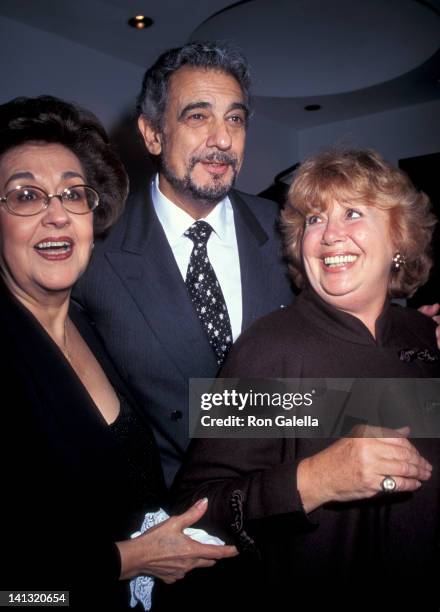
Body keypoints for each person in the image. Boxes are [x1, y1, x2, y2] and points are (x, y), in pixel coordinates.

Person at [173, 149, 440, 608]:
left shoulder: (420, 334)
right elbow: (193, 511)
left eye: (352, 213)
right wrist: (318, 480)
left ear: (399, 237)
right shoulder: (267, 349)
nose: (330, 235)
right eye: (314, 220)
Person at [0, 95, 237, 611]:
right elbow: (15, 594)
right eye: (26, 196)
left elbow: (210, 399)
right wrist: (130, 559)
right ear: (153, 134)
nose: (57, 215)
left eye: (73, 194)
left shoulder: (88, 314)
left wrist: (394, 349)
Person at [73, 42, 294, 487]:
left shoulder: (292, 230)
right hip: (176, 523)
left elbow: (337, 342)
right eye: (198, 116)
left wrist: (404, 347)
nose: (223, 139)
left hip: (295, 509)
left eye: (235, 118)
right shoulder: (92, 252)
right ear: (153, 134)